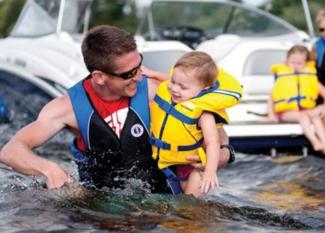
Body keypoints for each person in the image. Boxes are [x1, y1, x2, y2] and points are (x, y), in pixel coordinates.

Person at [0, 25, 235, 193]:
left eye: (139, 65)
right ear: (99, 77)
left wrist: (223, 155)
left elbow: (213, 126)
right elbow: (11, 151)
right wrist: (48, 169)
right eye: (128, 74)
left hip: (162, 205)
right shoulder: (67, 108)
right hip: (99, 207)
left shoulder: (155, 91)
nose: (139, 76)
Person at [150, 51, 242, 197]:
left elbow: (213, 142)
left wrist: (210, 172)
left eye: (183, 87)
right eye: (173, 82)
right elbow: (171, 80)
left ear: (204, 89)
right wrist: (153, 74)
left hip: (193, 167)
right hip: (169, 161)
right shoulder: (171, 91)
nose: (174, 88)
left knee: (190, 203)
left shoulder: (203, 113)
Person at [267, 45, 325, 153]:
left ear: (306, 63)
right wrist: (271, 114)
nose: (296, 66)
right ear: (287, 61)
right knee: (303, 117)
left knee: (316, 117)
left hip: (304, 109)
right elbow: (271, 98)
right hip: (285, 112)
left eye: (299, 63)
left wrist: (323, 106)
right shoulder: (283, 76)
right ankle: (315, 142)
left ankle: (324, 143)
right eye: (293, 62)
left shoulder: (309, 76)